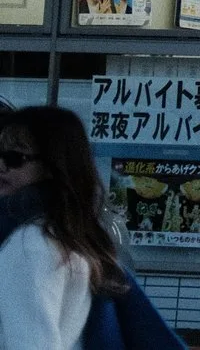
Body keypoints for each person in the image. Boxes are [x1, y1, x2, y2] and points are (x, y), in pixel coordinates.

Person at [0, 106, 126, 350]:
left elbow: (31, 344)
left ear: (52, 165)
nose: (1, 166)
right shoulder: (69, 234)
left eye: (15, 158)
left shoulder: (31, 244)